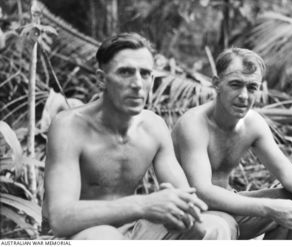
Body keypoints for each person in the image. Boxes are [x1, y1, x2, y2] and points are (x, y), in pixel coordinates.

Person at [42, 32, 232, 240]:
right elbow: (60, 219)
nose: (138, 84)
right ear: (101, 79)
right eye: (125, 72)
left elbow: (185, 198)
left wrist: (180, 213)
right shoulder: (69, 127)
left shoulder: (153, 127)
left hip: (132, 230)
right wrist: (144, 204)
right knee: (105, 238)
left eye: (145, 74)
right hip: (74, 237)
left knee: (214, 228)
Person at [171, 47, 292, 240]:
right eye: (235, 84)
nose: (244, 96)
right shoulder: (193, 125)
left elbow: (287, 173)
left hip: (230, 207)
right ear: (217, 84)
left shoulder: (253, 124)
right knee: (222, 225)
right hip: (191, 213)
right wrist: (269, 208)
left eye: (251, 87)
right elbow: (202, 192)